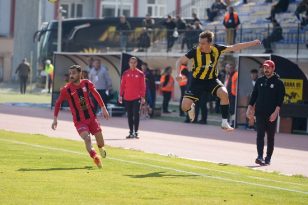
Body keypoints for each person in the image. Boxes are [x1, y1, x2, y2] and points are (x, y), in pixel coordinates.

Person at [176, 30, 261, 131]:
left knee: (224, 93)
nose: (200, 45)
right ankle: (191, 108)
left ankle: (224, 122)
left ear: (210, 43)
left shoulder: (217, 49)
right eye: (199, 42)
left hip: (212, 80)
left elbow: (234, 47)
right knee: (184, 107)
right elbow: (179, 61)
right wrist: (178, 74)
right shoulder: (195, 51)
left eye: (203, 43)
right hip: (197, 81)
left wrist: (252, 43)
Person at [51, 65, 110, 169]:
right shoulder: (67, 89)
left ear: (80, 74)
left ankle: (100, 148)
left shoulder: (87, 83)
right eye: (70, 73)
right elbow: (58, 103)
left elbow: (96, 94)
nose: (71, 75)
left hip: (92, 118)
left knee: (101, 142)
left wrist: (103, 107)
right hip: (80, 121)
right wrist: (55, 119)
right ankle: (95, 156)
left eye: (73, 73)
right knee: (87, 139)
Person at [246, 60, 285, 166]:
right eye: (264, 67)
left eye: (268, 67)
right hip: (259, 113)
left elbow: (280, 100)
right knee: (260, 135)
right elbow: (254, 95)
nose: (266, 69)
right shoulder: (259, 80)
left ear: (273, 68)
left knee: (270, 137)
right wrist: (249, 107)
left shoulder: (279, 83)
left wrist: (275, 113)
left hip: (271, 114)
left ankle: (268, 158)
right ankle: (259, 156)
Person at [119, 57, 146, 139]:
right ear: (129, 63)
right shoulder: (125, 73)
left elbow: (143, 86)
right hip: (127, 97)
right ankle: (131, 132)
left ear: (137, 63)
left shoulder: (140, 73)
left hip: (136, 97)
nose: (133, 64)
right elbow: (122, 85)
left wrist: (143, 97)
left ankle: (136, 132)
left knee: (136, 114)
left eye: (134, 62)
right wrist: (120, 95)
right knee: (129, 115)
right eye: (131, 62)